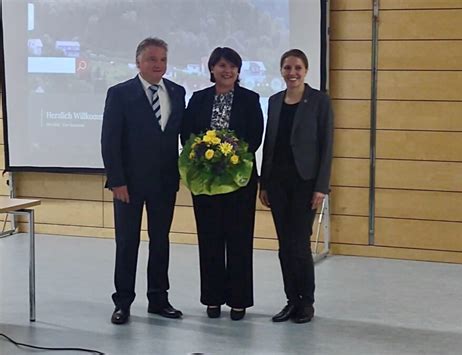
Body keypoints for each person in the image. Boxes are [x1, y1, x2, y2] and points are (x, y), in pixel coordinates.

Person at [101, 37, 185, 325]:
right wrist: (117, 181)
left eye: (162, 59)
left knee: (160, 241)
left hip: (164, 182)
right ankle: (123, 302)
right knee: (127, 243)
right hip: (129, 185)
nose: (158, 65)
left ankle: (159, 299)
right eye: (152, 59)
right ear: (138, 62)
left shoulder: (177, 91)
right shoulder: (120, 93)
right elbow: (110, 141)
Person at [181, 47, 264, 321]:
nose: (226, 71)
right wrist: (206, 156)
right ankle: (213, 299)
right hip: (206, 182)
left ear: (238, 71)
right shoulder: (199, 98)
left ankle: (239, 301)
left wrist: (231, 157)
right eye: (221, 66)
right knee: (210, 240)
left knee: (239, 240)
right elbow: (187, 135)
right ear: (212, 69)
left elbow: (255, 137)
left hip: (239, 182)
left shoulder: (250, 99)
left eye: (232, 66)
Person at [259, 49, 333, 324]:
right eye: (287, 68)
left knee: (299, 244)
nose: (292, 73)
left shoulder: (319, 101)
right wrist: (264, 183)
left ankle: (306, 302)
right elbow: (271, 144)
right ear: (281, 70)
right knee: (283, 245)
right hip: (278, 184)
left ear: (306, 70)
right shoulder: (275, 100)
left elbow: (327, 146)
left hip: (306, 183)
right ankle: (291, 299)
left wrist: (321, 186)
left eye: (298, 68)